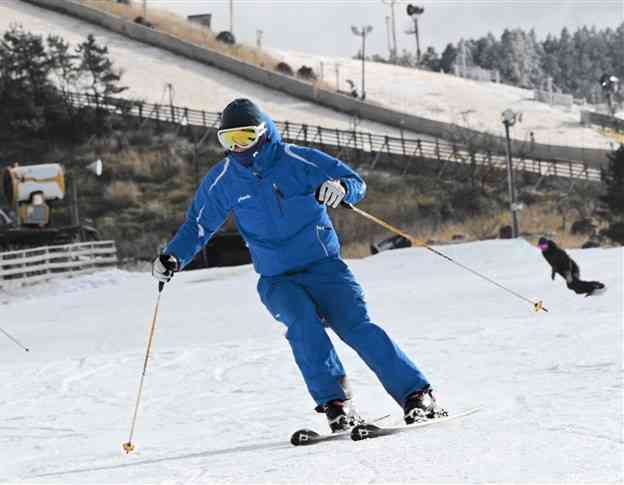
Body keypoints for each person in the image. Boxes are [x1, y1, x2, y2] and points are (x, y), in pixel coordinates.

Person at [152, 98, 445, 431]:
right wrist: (174, 255)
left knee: (357, 327)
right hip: (277, 278)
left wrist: (340, 188)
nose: (238, 148)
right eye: (228, 140)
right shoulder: (223, 180)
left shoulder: (298, 159)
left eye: (244, 138)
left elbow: (354, 182)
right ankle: (337, 405)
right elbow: (198, 226)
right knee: (303, 328)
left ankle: (417, 395)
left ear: (262, 133)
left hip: (324, 267)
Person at [537, 237, 605, 296]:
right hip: (563, 271)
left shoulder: (557, 250)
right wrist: (553, 272)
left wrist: (568, 271)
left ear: (547, 245)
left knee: (574, 284)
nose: (543, 248)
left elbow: (566, 259)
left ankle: (595, 285)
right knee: (574, 287)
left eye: (544, 246)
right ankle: (591, 287)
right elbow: (552, 263)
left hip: (571, 268)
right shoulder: (545, 253)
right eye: (541, 247)